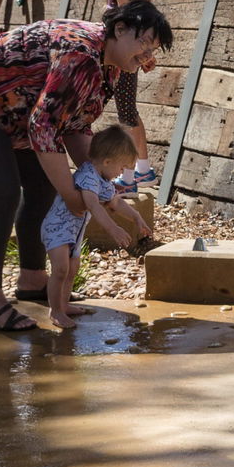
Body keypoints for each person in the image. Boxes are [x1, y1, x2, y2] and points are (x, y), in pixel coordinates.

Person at [0, 1, 174, 333]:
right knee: (1, 193)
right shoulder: (81, 54)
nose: (147, 54)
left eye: (153, 48)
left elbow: (73, 125)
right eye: (144, 43)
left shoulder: (109, 65)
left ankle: (32, 281)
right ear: (120, 29)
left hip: (16, 108)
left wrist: (97, 180)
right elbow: (44, 127)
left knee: (42, 186)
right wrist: (72, 194)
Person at [41, 125, 151, 328]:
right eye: (121, 168)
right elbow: (92, 204)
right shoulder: (88, 175)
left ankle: (63, 305)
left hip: (73, 232)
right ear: (107, 161)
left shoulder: (103, 179)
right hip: (57, 228)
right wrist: (113, 229)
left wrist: (136, 217)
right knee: (60, 269)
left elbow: (115, 202)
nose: (120, 173)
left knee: (72, 268)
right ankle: (55, 311)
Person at [89, 0, 158, 191]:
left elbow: (127, 21)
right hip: (134, 52)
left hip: (123, 55)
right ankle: (141, 169)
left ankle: (131, 176)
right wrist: (147, 53)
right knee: (129, 111)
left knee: (127, 113)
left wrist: (135, 55)